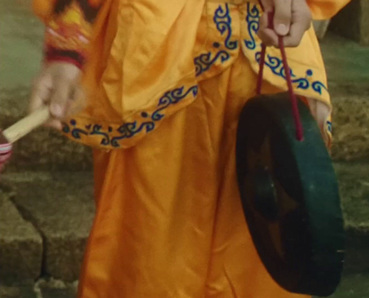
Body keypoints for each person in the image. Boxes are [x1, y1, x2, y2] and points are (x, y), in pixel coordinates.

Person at [30, 0, 350, 297]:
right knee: (150, 256)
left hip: (267, 53)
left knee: (268, 246)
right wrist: (69, 41)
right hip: (161, 62)